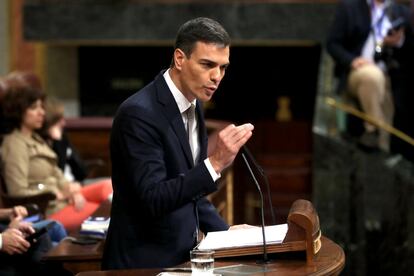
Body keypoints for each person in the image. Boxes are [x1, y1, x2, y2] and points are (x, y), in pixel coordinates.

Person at [102, 17, 254, 269]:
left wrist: (226, 234)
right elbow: (153, 198)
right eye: (207, 65)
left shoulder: (194, 104)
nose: (216, 76)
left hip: (183, 258)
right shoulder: (138, 113)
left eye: (223, 67)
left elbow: (188, 191)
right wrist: (214, 164)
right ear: (180, 59)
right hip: (143, 264)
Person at [0, 80, 113, 232]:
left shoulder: (35, 138)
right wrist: (58, 194)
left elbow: (56, 172)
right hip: (48, 209)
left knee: (109, 186)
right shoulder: (14, 144)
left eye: (42, 107)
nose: (42, 112)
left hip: (63, 198)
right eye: (34, 108)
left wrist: (71, 191)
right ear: (19, 111)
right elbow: (17, 191)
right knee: (106, 211)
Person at [326, 0, 414, 151]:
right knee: (372, 77)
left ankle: (381, 149)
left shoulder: (400, 12)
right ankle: (373, 129)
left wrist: (398, 42)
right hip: (358, 72)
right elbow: (332, 43)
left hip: (387, 75)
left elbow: (407, 51)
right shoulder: (350, 7)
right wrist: (351, 60)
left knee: (387, 116)